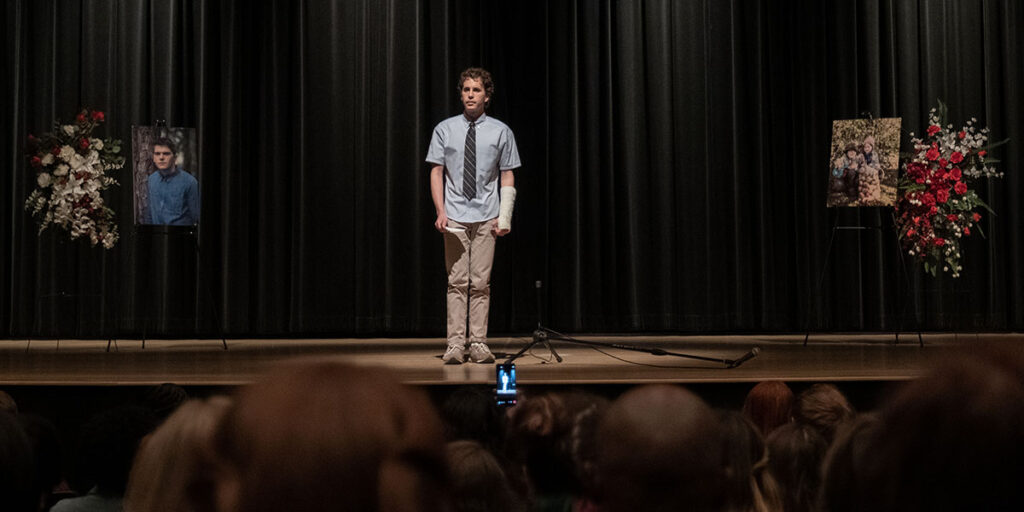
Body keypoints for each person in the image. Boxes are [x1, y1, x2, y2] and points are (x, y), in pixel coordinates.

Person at [426, 67, 521, 364]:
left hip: (486, 215)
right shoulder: (445, 129)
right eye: (466, 89)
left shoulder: (501, 131)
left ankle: (478, 342)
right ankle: (455, 344)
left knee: (480, 282)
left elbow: (507, 175)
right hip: (454, 214)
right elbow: (437, 171)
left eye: (476, 90)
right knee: (457, 281)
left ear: (487, 96)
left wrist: (504, 216)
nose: (470, 94)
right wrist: (440, 211)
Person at [146, 137, 200, 225]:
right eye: (157, 154)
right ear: (153, 158)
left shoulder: (190, 182)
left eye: (166, 154)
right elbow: (149, 214)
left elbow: (196, 218)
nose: (161, 157)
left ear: (174, 158)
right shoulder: (151, 179)